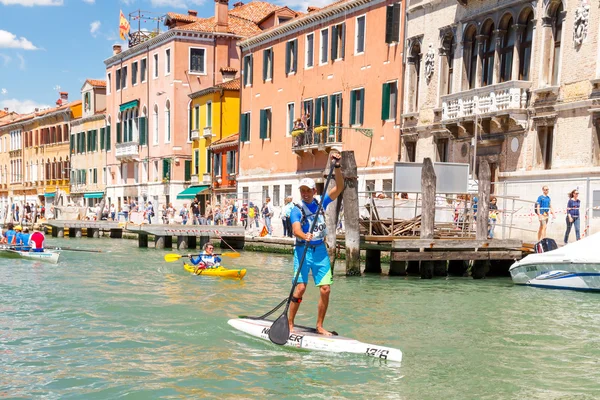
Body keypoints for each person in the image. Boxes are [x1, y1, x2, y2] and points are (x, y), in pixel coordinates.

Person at [288, 153, 344, 336]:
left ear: (314, 191)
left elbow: (340, 187)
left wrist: (336, 167)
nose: (305, 193)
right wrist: (305, 235)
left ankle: (319, 326)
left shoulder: (321, 202)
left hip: (320, 250)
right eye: (302, 190)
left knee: (326, 289)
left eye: (308, 190)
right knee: (301, 288)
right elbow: (296, 229)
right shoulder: (296, 209)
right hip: (302, 249)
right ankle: (289, 323)